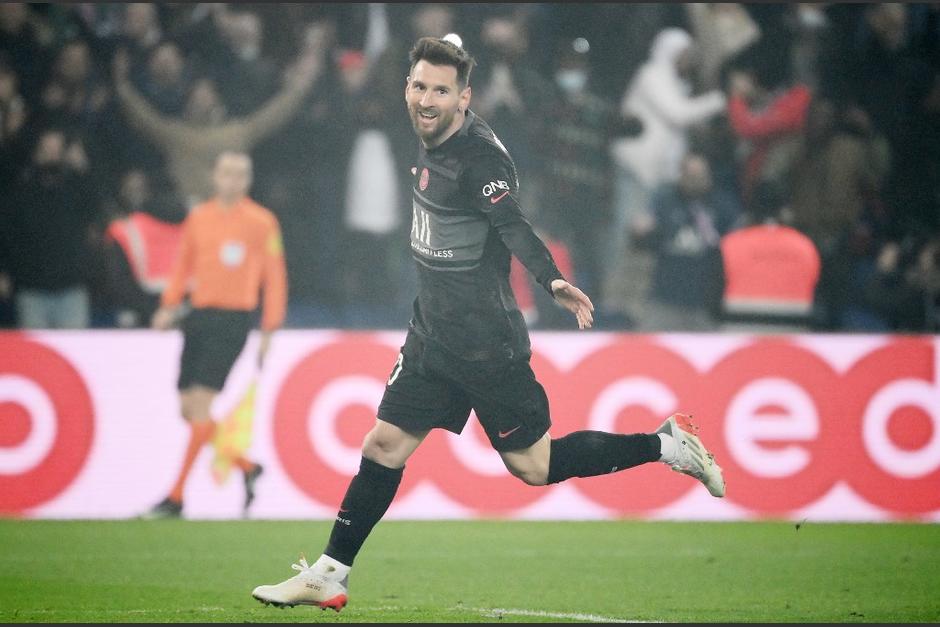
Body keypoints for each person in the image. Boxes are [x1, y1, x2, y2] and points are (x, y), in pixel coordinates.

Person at [251, 35, 724, 612]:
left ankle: (664, 444)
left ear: (464, 98)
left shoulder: (480, 160)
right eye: (419, 86)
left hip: (484, 342)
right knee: (384, 444)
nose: (426, 99)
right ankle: (330, 572)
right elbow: (441, 64)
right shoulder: (435, 125)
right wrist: (447, 46)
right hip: (432, 332)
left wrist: (551, 279)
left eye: (440, 91)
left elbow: (514, 226)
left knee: (534, 465)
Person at [143, 151, 287, 519]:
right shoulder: (199, 218)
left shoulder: (262, 222)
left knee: (201, 407)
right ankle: (246, 467)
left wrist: (270, 327)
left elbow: (275, 277)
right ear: (215, 177)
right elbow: (182, 266)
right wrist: (168, 304)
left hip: (232, 321)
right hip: (199, 316)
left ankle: (175, 498)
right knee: (187, 409)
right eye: (227, 173)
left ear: (248, 179)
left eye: (240, 174)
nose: (233, 180)